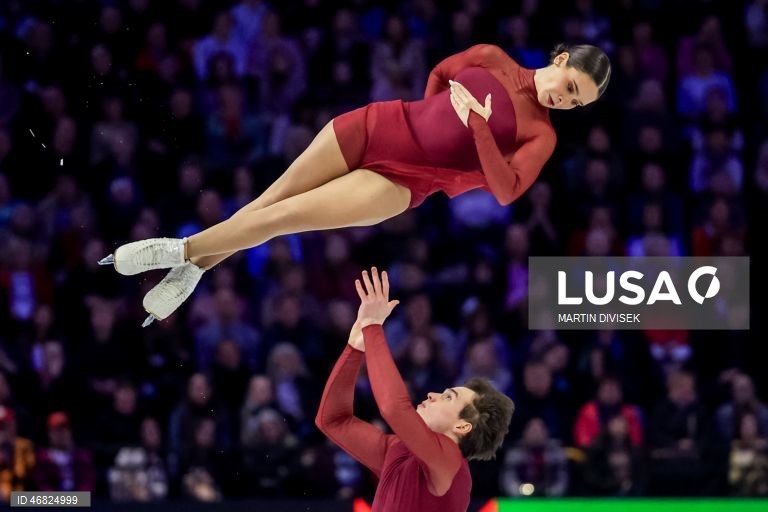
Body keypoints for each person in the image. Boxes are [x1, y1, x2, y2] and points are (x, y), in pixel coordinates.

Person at [99, 43, 611, 325]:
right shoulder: (492, 57)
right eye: (571, 87)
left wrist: (474, 130)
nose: (566, 101)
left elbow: (506, 190)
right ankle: (193, 270)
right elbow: (440, 72)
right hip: (378, 124)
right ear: (561, 60)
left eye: (577, 103)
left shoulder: (541, 134)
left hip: (403, 182)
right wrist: (428, 115)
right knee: (267, 201)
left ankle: (178, 251)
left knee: (283, 218)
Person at [315, 267, 514, 511]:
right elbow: (332, 420)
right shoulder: (396, 450)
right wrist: (354, 348)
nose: (433, 395)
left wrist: (373, 326)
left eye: (448, 397)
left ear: (462, 426)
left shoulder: (452, 463)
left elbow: (394, 408)